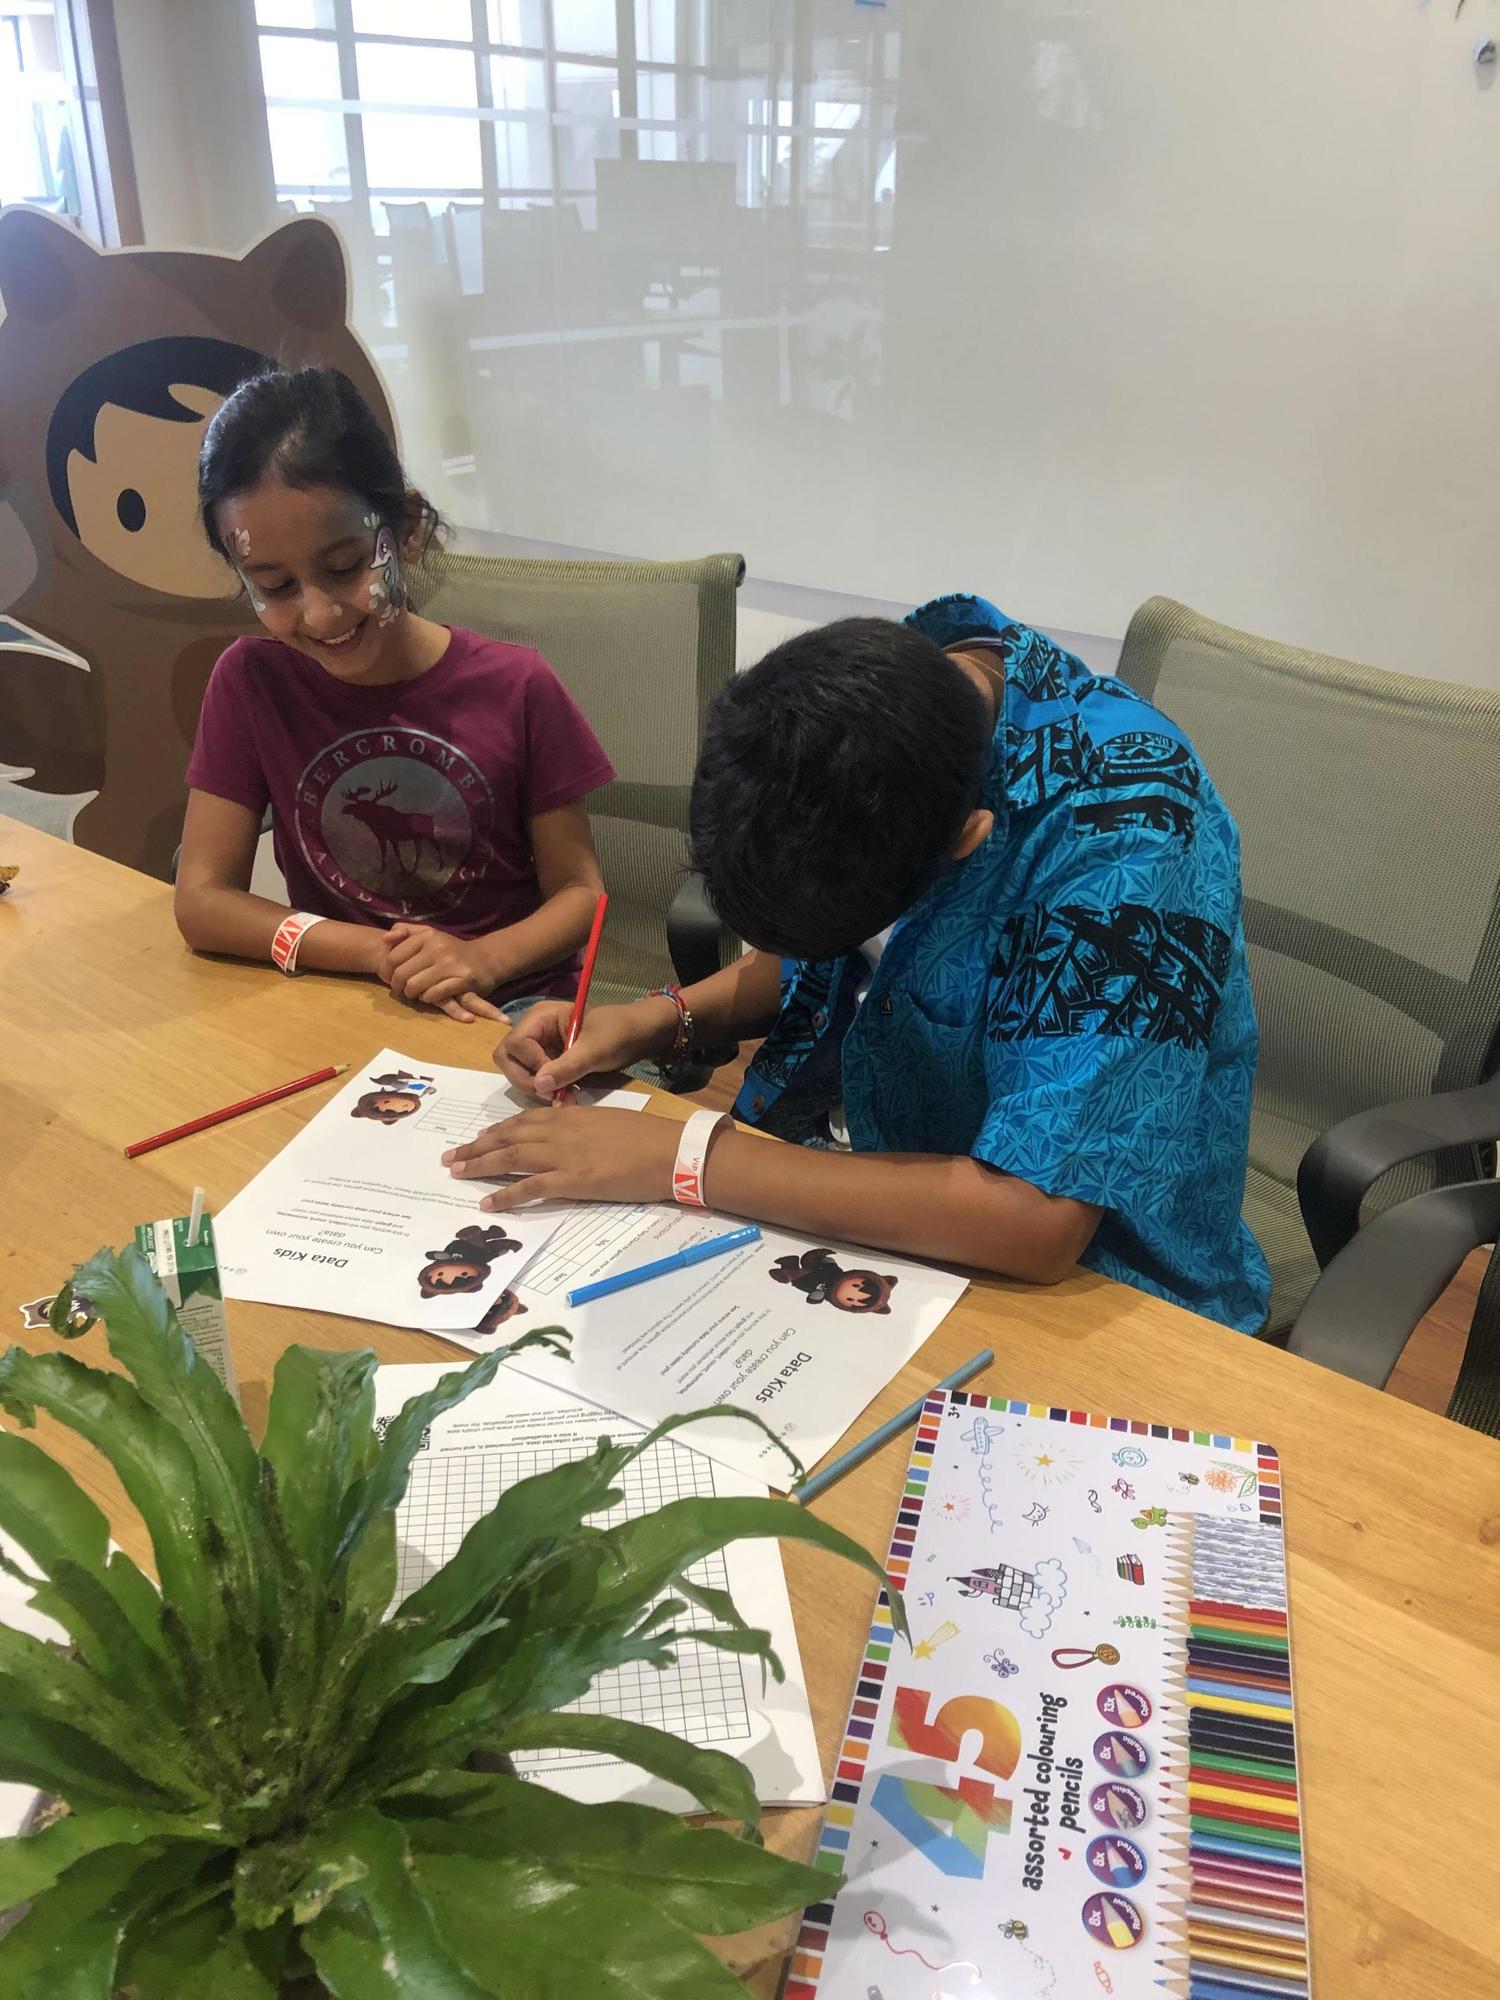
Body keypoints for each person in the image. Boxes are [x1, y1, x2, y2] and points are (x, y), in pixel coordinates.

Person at [444, 595, 1271, 1333]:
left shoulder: (1130, 837)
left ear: (966, 847)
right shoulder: (879, 717)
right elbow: (829, 958)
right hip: (857, 1179)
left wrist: (682, 1159)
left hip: (1087, 1286)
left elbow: (1036, 1220)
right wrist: (655, 1018)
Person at [176, 366, 614, 1022]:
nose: (321, 616)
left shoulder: (518, 686)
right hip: (353, 996)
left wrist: (480, 958)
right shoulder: (249, 683)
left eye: (346, 567)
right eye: (274, 586)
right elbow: (202, 902)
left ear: (405, 528)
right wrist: (379, 955)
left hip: (515, 1007)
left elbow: (581, 896)